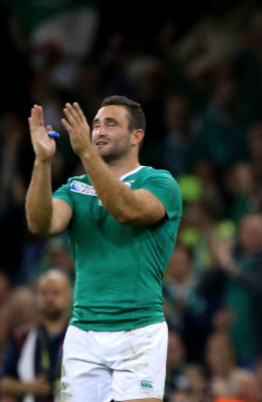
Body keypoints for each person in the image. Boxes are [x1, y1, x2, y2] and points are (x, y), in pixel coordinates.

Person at [25, 96, 183, 402]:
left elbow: (127, 210)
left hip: (139, 332)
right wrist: (42, 162)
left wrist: (85, 151)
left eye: (110, 124)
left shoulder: (159, 182)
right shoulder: (73, 188)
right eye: (95, 125)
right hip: (83, 333)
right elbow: (40, 224)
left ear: (136, 136)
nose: (99, 131)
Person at [0, 269, 72, 402]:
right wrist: (29, 387)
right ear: (37, 297)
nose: (49, 298)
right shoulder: (23, 337)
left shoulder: (81, 336)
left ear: (69, 296)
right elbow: (3, 382)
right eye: (44, 293)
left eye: (56, 293)